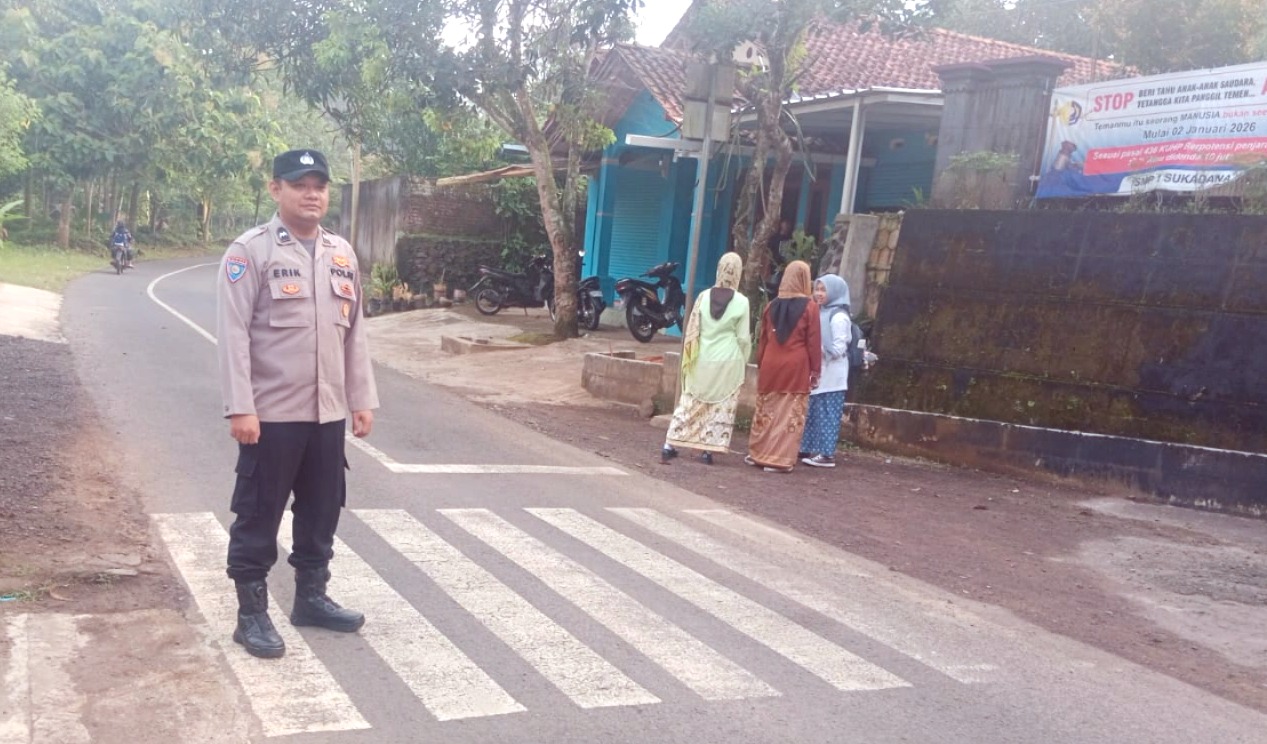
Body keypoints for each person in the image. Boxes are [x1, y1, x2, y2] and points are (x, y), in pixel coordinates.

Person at [216, 149, 379, 659]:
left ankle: (311, 597)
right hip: (271, 416)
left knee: (322, 508)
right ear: (275, 190)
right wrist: (241, 406)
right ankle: (251, 614)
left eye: (320, 185)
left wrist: (361, 399)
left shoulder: (341, 254)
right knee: (258, 512)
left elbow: (354, 334)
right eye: (299, 184)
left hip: (326, 414)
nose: (312, 193)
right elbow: (233, 335)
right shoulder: (251, 253)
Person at [661, 252, 751, 465]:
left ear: (719, 269)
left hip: (701, 359)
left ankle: (669, 444)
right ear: (738, 273)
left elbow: (694, 329)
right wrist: (744, 359)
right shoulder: (742, 301)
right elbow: (743, 338)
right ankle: (707, 451)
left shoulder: (703, 297)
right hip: (728, 361)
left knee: (691, 402)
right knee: (719, 406)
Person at [745, 260, 821, 473]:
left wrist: (762, 364)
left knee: (766, 411)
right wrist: (816, 370)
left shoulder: (771, 306)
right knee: (788, 414)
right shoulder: (810, 307)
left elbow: (762, 340)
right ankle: (778, 460)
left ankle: (758, 454)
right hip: (796, 367)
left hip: (770, 364)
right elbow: (814, 342)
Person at [799, 274, 852, 468]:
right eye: (817, 289)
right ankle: (806, 448)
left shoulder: (838, 317)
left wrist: (816, 348)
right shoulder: (819, 312)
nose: (819, 294)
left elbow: (839, 349)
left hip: (833, 375)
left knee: (828, 414)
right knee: (812, 412)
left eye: (824, 290)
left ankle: (827, 454)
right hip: (820, 372)